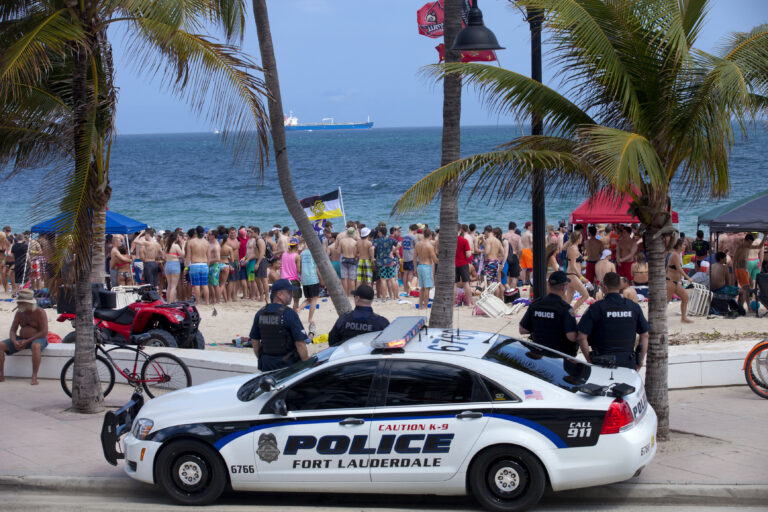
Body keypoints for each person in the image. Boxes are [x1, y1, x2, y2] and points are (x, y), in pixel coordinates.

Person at [577, 272, 649, 371]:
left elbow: (581, 336)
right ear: (620, 286)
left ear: (604, 287)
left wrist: (589, 359)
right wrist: (640, 361)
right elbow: (645, 335)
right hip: (628, 361)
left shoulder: (596, 308)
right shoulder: (633, 307)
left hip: (601, 362)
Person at [249, 279, 310, 371]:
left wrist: (262, 358)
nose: (291, 295)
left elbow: (254, 340)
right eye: (289, 292)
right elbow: (300, 343)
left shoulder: (260, 313)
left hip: (267, 364)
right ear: (279, 294)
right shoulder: (289, 313)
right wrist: (306, 363)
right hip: (287, 365)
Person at [519, 271, 578, 356]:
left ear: (549, 285)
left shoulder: (536, 304)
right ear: (564, 287)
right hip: (558, 356)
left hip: (539, 353)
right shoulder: (565, 308)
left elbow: (522, 330)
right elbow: (572, 336)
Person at [0, 289, 49, 385]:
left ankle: (34, 376)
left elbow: (44, 332)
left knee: (36, 346)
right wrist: (14, 341)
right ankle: (1, 374)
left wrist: (27, 341)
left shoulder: (40, 312)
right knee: (0, 345)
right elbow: (13, 330)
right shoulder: (19, 313)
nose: (18, 305)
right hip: (21, 339)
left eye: (20, 303)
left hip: (37, 338)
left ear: (27, 303)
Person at [666, 238, 693, 323]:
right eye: (684, 245)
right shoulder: (675, 255)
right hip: (670, 281)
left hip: (676, 282)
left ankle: (683, 317)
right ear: (679, 246)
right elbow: (679, 269)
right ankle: (658, 318)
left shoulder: (677, 254)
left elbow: (667, 267)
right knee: (666, 301)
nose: (685, 246)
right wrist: (688, 278)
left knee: (685, 297)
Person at [297, 242, 320, 332]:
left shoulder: (302, 253)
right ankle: (310, 319)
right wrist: (321, 279)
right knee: (314, 299)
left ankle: (299, 309)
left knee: (309, 299)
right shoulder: (313, 252)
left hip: (305, 278)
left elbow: (300, 267)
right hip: (313, 277)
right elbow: (317, 267)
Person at [564, 231, 589, 312]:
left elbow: (577, 262)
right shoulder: (573, 249)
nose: (582, 239)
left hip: (571, 275)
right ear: (578, 239)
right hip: (572, 275)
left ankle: (564, 313)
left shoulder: (574, 247)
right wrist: (581, 277)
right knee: (585, 295)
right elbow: (573, 265)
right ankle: (571, 312)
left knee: (569, 297)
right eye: (581, 237)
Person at [373, 226, 399, 301]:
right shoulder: (390, 239)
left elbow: (372, 248)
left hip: (381, 263)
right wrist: (392, 252)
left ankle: (384, 297)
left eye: (378, 232)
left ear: (380, 233)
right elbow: (399, 244)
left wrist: (372, 257)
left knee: (383, 279)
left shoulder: (377, 241)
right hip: (390, 261)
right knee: (392, 278)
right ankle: (395, 296)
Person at [415, 228, 438, 310]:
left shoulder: (418, 244)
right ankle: (425, 306)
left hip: (419, 266)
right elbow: (435, 260)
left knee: (422, 288)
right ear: (430, 235)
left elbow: (414, 257)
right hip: (427, 266)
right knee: (427, 287)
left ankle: (420, 306)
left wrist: (415, 268)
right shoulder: (429, 246)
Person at [185, 226, 209, 304]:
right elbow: (209, 256)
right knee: (205, 285)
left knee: (196, 285)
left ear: (195, 232)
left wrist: (186, 268)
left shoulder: (191, 242)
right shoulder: (206, 242)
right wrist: (207, 266)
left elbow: (188, 256)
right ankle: (207, 302)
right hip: (204, 264)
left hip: (195, 265)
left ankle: (198, 302)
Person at [281, 239, 302, 310]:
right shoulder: (297, 256)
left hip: (284, 280)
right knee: (296, 301)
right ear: (297, 246)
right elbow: (299, 270)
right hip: (293, 280)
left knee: (284, 301)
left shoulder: (284, 254)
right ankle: (294, 317)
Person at [455, 224, 474, 306]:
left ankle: (453, 303)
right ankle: (469, 303)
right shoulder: (464, 241)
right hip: (463, 263)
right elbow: (468, 254)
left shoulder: (450, 242)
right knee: (466, 283)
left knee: (454, 284)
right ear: (460, 230)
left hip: (453, 264)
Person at [164, 232, 183, 303]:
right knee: (173, 286)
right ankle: (171, 302)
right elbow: (182, 255)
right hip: (175, 264)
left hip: (168, 264)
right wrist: (183, 245)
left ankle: (168, 302)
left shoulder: (166, 246)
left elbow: (164, 256)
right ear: (175, 238)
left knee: (169, 285)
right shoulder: (176, 246)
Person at [401, 225, 417, 294]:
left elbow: (402, 245)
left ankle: (405, 289)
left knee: (405, 273)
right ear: (415, 230)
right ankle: (409, 289)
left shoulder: (404, 236)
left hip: (405, 257)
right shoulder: (414, 237)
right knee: (410, 273)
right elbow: (417, 247)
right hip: (411, 257)